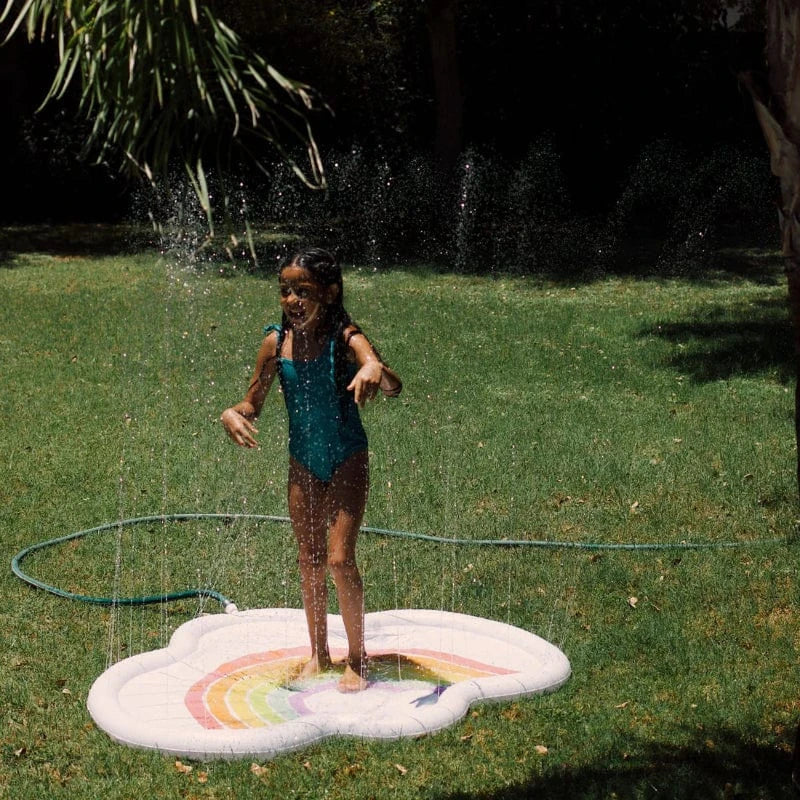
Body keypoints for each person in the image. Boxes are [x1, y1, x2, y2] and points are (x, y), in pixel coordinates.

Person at [220, 246, 401, 692]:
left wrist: (375, 367)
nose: (292, 300)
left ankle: (356, 658)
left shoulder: (346, 336)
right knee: (309, 560)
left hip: (346, 455)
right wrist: (233, 412)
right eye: (285, 291)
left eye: (304, 291)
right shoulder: (276, 342)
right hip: (302, 461)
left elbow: (393, 385)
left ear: (331, 292)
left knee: (339, 559)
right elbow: (253, 402)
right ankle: (318, 654)